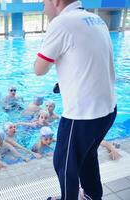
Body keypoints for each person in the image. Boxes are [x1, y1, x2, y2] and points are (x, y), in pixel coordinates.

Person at [34, 1, 117, 199]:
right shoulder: (96, 19)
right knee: (88, 156)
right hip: (108, 110)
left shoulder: (62, 23)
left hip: (82, 116)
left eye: (44, 2)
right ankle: (91, 195)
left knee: (64, 164)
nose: (43, 7)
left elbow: (39, 69)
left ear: (56, 1)